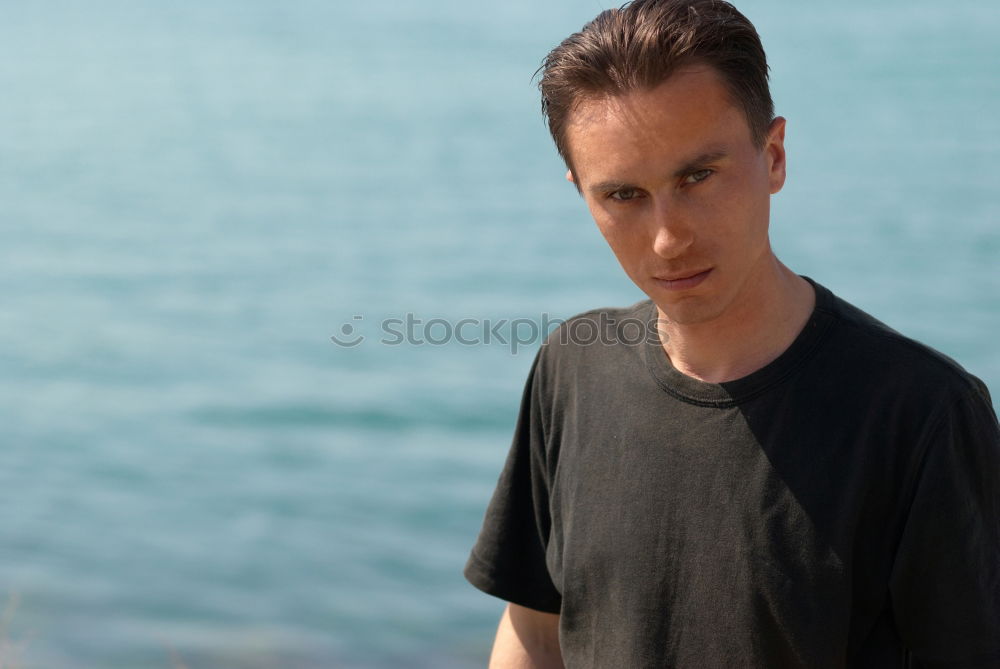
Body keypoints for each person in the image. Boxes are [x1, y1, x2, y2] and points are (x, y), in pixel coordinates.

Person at [463, 0, 1000, 667]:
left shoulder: (921, 413)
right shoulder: (572, 367)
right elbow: (535, 630)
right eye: (623, 195)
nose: (668, 238)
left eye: (698, 176)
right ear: (581, 194)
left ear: (773, 157)